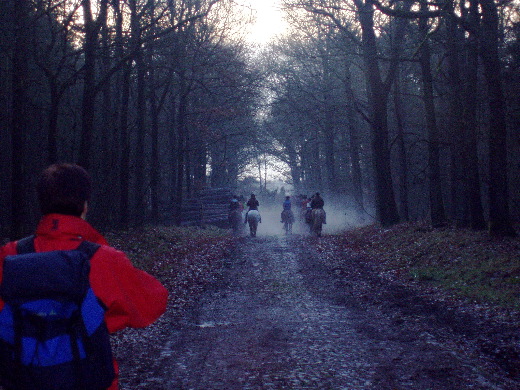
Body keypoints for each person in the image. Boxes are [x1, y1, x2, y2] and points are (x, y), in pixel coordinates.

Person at [0, 163, 168, 390]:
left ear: (42, 204)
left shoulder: (9, 256)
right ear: (85, 206)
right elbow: (153, 302)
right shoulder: (104, 259)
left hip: (22, 381)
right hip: (89, 380)